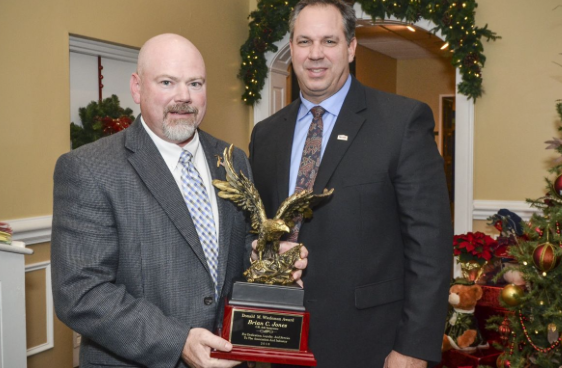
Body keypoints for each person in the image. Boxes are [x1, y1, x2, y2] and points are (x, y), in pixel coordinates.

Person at [52, 33, 306, 368]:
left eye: (195, 83)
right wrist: (177, 342)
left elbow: (236, 245)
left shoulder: (231, 159)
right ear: (137, 87)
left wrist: (264, 254)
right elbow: (81, 293)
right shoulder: (89, 169)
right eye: (167, 82)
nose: (184, 97)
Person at [249, 1, 453, 367]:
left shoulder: (401, 123)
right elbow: (261, 230)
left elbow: (430, 249)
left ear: (351, 47)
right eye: (304, 41)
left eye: (329, 41)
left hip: (371, 343)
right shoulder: (265, 135)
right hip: (278, 339)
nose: (315, 54)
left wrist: (412, 348)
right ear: (291, 48)